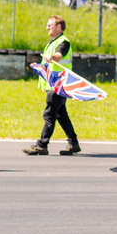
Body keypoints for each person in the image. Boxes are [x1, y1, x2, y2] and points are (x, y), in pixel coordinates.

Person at [23, 15, 81, 156]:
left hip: (59, 85)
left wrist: (52, 57)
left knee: (49, 114)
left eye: (50, 25)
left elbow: (59, 56)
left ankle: (42, 145)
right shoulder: (51, 42)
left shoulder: (63, 42)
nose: (47, 27)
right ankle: (73, 143)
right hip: (54, 85)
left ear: (59, 27)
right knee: (61, 115)